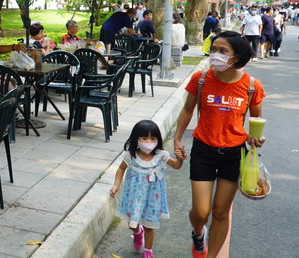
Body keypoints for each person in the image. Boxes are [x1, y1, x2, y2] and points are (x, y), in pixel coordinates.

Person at [173, 30, 266, 258]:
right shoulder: (201, 79)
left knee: (221, 212)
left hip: (234, 153)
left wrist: (256, 139)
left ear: (237, 57)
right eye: (214, 50)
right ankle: (198, 233)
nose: (216, 55)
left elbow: (255, 121)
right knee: (202, 212)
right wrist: (177, 138)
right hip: (202, 150)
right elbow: (187, 110)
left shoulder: (252, 85)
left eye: (223, 51)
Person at [110, 120, 183, 258]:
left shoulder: (161, 156)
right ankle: (138, 232)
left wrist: (180, 159)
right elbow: (121, 169)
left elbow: (176, 166)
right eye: (144, 138)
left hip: (152, 199)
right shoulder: (130, 156)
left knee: (150, 225)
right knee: (133, 223)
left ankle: (148, 250)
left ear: (157, 140)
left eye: (153, 138)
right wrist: (116, 184)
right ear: (136, 138)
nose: (149, 142)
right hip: (134, 197)